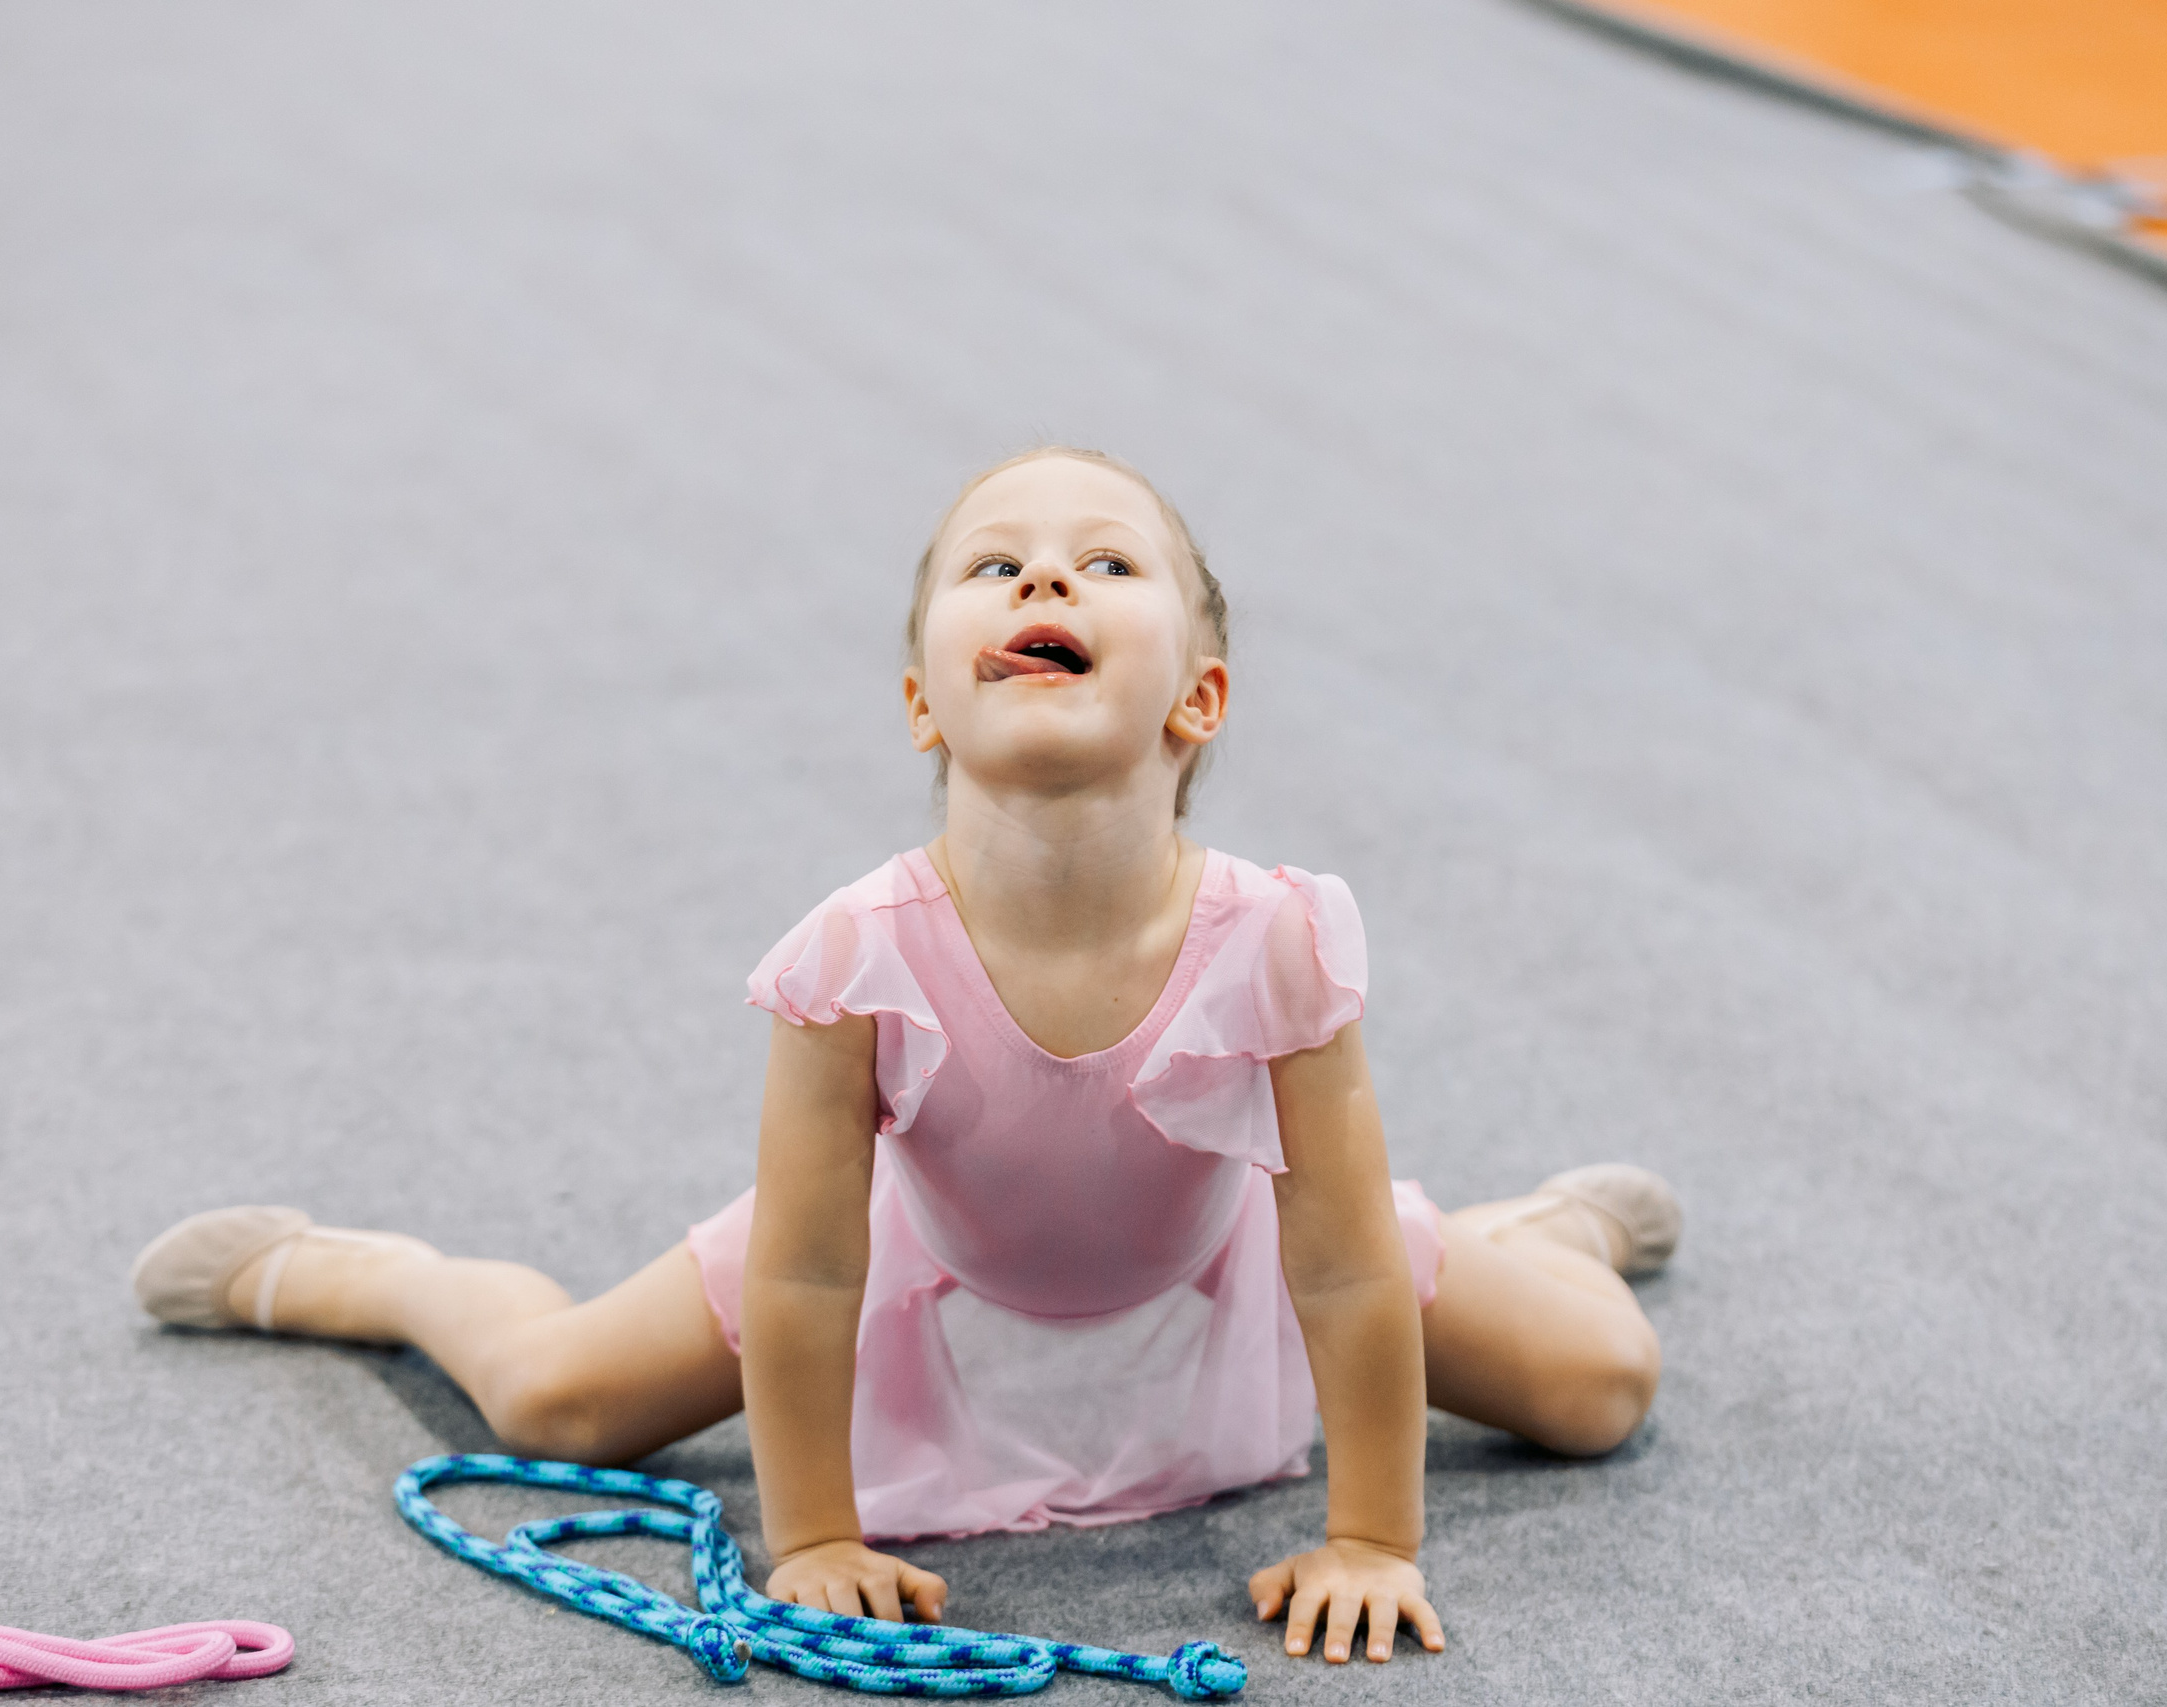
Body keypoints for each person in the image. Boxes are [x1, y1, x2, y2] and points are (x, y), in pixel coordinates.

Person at [128, 447, 1677, 1667]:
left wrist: (1375, 1539)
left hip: (1231, 1278)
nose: (1044, 572)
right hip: (912, 1276)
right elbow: (806, 1272)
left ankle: (1534, 1237)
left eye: (1106, 562)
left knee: (1602, 1383)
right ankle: (374, 1273)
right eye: (993, 565)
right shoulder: (856, 959)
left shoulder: (1277, 939)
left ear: (1198, 699)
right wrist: (809, 1540)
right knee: (551, 1404)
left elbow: (1336, 1266)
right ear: (923, 699)